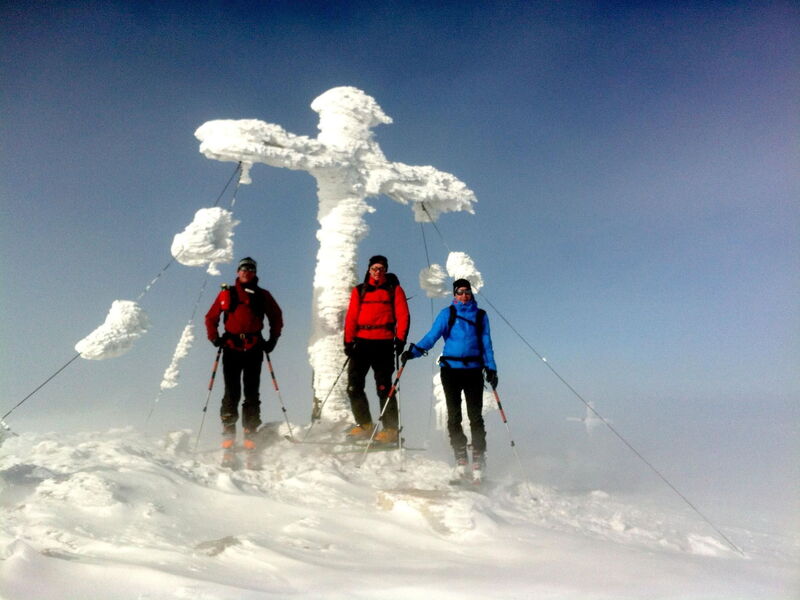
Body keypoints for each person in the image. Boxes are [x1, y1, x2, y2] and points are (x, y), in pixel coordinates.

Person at [402, 278, 498, 479]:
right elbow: (433, 335)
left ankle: (479, 456)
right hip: (451, 371)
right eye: (460, 292)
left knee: (475, 416)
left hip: (474, 370)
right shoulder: (448, 314)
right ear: (454, 294)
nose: (464, 295)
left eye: (467, 292)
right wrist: (415, 351)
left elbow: (486, 343)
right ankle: (460, 454)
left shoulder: (481, 316)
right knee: (454, 416)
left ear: (471, 294)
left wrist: (491, 368)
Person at [205, 257, 283, 452]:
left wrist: (273, 339)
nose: (246, 271)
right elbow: (211, 317)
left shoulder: (263, 295)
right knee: (231, 392)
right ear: (237, 272)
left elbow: (277, 317)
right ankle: (229, 431)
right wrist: (215, 338)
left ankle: (250, 431)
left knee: (251, 392)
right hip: (231, 347)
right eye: (243, 268)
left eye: (250, 268)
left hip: (254, 346)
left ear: (255, 272)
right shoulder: (227, 293)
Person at [343, 255, 410, 444]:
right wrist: (348, 341)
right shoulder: (360, 290)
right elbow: (352, 316)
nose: (378, 271)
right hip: (361, 343)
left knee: (384, 387)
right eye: (374, 268)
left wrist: (401, 339)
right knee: (353, 386)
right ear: (369, 270)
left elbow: (403, 315)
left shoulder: (394, 290)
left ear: (386, 270)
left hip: (384, 343)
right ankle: (365, 425)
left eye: (381, 268)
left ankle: (390, 430)